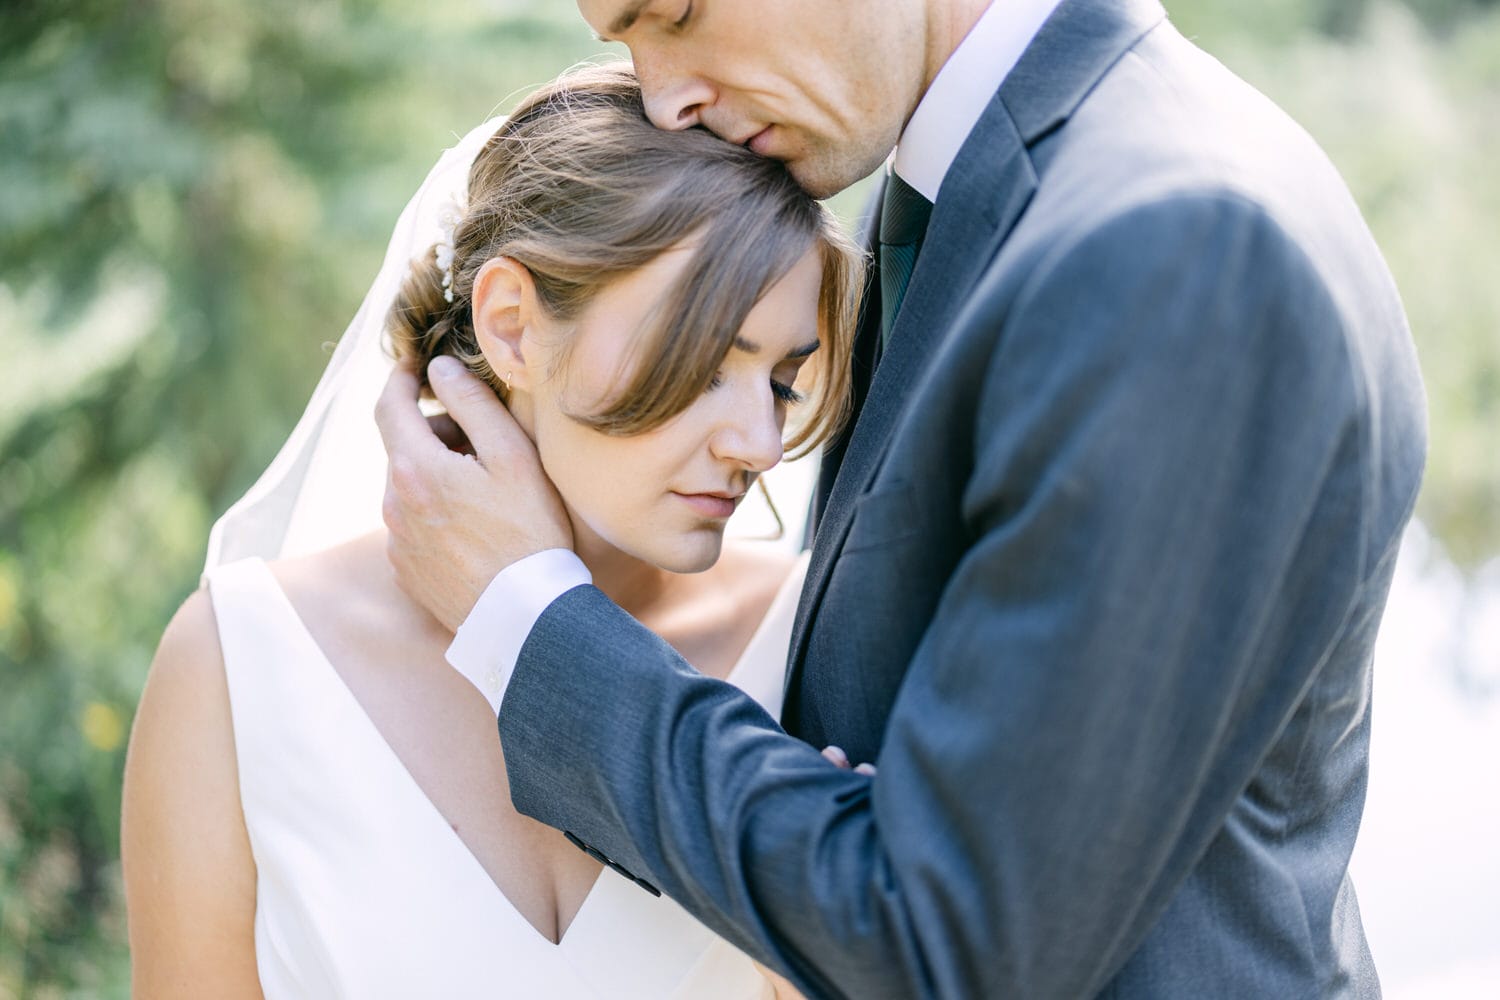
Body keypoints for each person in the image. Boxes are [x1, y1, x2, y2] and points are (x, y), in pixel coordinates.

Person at [375, 0, 1430, 997]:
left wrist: (527, 614)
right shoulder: (952, 204)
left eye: (678, 11)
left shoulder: (1175, 240)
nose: (663, 99)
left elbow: (953, 943)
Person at [121, 64, 863, 999]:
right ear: (511, 326)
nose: (758, 441)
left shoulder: (817, 647)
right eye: (708, 363)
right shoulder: (239, 663)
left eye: (783, 383)